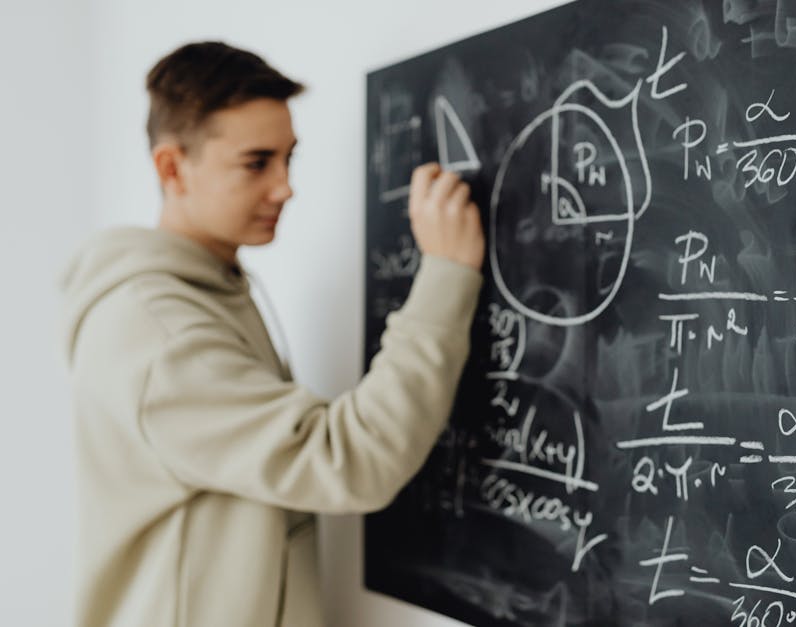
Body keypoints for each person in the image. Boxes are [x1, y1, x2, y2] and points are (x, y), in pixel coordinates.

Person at [61, 41, 484, 627]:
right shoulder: (157, 331)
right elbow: (349, 461)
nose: (285, 187)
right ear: (171, 167)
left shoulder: (211, 288)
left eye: (290, 158)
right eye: (257, 162)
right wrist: (447, 275)